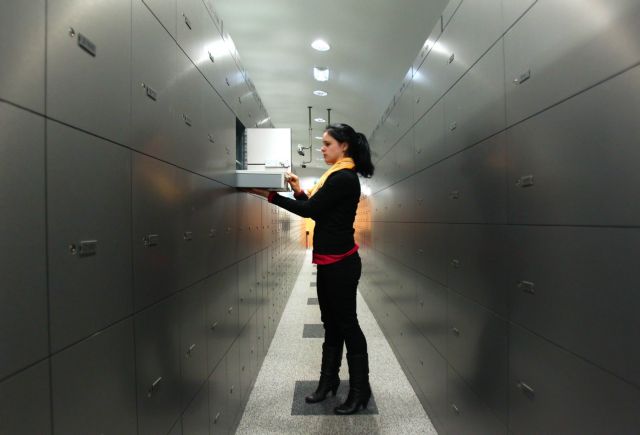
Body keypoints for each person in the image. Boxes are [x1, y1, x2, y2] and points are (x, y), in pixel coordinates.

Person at [248, 123, 374, 415]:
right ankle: (328, 382)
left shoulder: (344, 178)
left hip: (342, 263)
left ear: (344, 146)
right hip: (330, 261)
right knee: (331, 323)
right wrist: (298, 191)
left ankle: (360, 390)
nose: (322, 148)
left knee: (348, 325)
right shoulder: (336, 176)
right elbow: (320, 211)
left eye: (327, 143)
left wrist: (269, 195)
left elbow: (310, 211)